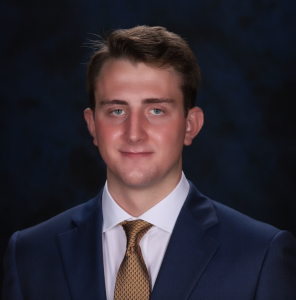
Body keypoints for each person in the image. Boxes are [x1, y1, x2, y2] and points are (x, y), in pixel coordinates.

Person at [2, 26, 296, 300]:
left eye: (156, 110)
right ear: (92, 125)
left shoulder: (260, 256)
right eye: (117, 111)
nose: (134, 134)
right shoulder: (29, 254)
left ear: (190, 125)